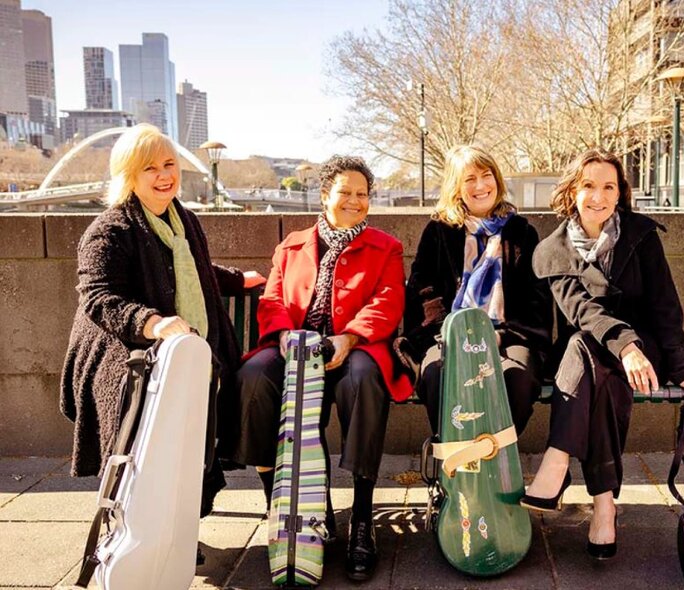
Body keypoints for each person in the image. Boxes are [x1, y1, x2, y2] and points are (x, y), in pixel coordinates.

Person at [60, 124, 265, 527]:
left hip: (183, 351)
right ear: (129, 176)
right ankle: (133, 523)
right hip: (123, 352)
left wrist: (239, 280)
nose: (164, 175)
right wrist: (150, 321)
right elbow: (98, 297)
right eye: (150, 168)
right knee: (142, 416)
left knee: (195, 419)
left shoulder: (184, 220)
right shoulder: (109, 230)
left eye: (169, 164)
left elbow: (195, 271)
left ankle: (177, 523)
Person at [229, 155, 410, 582]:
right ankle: (292, 508)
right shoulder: (291, 245)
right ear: (325, 194)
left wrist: (349, 337)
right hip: (294, 346)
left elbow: (388, 303)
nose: (354, 201)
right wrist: (285, 337)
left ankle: (361, 520)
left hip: (355, 347)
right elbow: (272, 300)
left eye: (362, 194)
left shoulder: (386, 247)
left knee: (365, 381)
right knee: (253, 379)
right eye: (345, 192)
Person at [521, 148, 684, 561]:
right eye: (588, 186)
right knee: (589, 352)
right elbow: (583, 311)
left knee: (593, 359)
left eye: (608, 187)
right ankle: (604, 507)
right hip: (588, 355)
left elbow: (665, 307)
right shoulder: (552, 251)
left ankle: (557, 459)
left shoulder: (640, 236)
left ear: (620, 193)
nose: (598, 196)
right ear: (572, 191)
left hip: (643, 350)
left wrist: (683, 366)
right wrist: (625, 348)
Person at [395, 144, 552, 436]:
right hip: (448, 335)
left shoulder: (521, 232)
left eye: (487, 175)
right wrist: (454, 333)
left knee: (517, 380)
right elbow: (424, 291)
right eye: (469, 179)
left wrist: (499, 335)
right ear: (456, 187)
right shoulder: (438, 232)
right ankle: (455, 466)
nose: (481, 185)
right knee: (438, 375)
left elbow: (537, 299)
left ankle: (495, 463)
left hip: (509, 335)